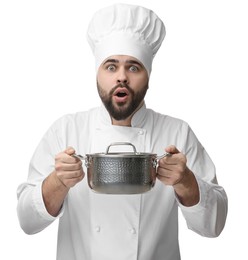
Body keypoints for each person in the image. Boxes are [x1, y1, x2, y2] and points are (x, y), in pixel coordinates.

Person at [17, 3, 228, 260]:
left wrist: (186, 182)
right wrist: (57, 182)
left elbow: (214, 225)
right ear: (97, 74)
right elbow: (27, 222)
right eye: (111, 66)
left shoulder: (177, 132)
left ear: (148, 76)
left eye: (133, 67)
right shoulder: (67, 130)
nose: (122, 77)